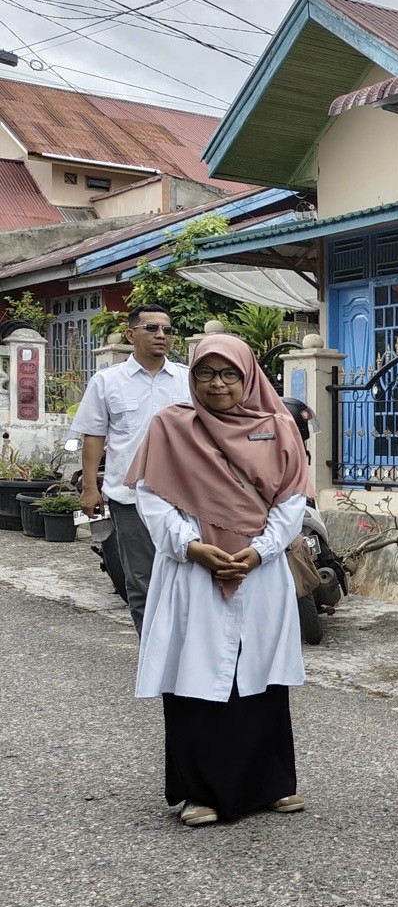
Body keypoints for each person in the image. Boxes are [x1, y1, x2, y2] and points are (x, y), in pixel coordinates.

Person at [127, 334, 310, 827]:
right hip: (192, 572)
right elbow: (151, 496)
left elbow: (293, 499)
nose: (218, 384)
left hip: (260, 572)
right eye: (206, 373)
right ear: (192, 376)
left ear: (248, 376)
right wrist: (191, 546)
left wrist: (260, 551)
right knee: (195, 676)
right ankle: (198, 793)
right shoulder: (171, 426)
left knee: (260, 676)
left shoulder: (277, 427)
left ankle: (271, 785)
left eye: (230, 373)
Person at [73, 304, 191, 632]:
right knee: (141, 581)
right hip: (130, 499)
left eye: (167, 330)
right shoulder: (107, 381)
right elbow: (94, 436)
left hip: (184, 499)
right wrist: (90, 487)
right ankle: (151, 652)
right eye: (151, 328)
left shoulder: (187, 380)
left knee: (187, 577)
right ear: (130, 334)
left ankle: (184, 651)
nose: (161, 335)